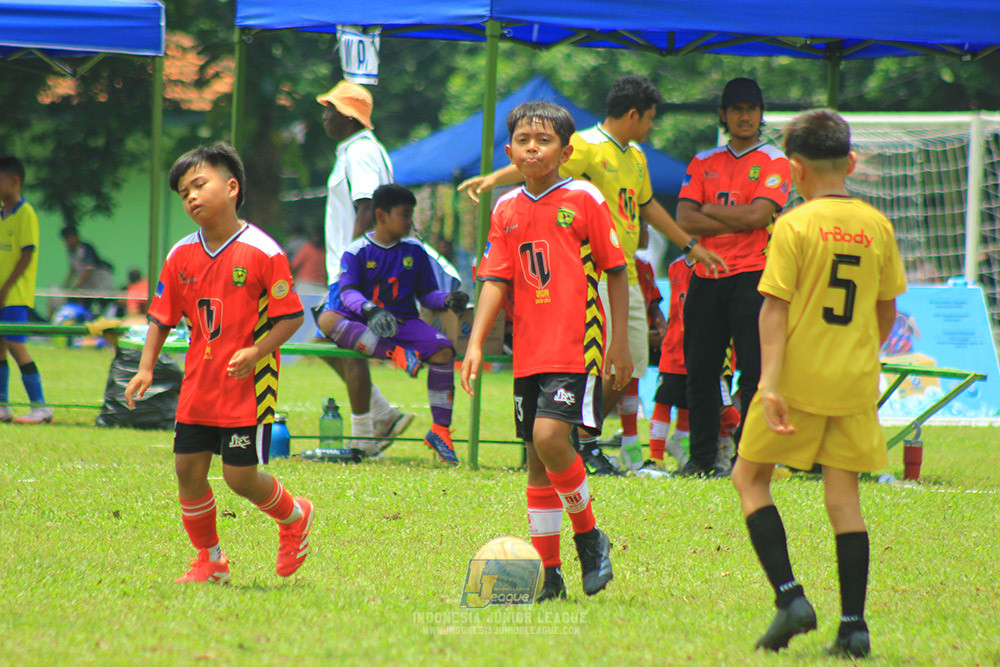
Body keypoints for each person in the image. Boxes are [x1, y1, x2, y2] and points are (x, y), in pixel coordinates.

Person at [459, 75, 726, 474]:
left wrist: (690, 246)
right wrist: (495, 179)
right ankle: (582, 440)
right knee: (584, 389)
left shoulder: (635, 157)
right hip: (587, 275)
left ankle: (580, 437)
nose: (651, 127)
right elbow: (533, 163)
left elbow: (648, 206)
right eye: (650, 118)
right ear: (634, 114)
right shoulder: (582, 145)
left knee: (628, 366)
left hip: (625, 271)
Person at [731, 110, 907, 657]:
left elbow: (774, 311)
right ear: (851, 163)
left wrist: (770, 385)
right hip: (855, 382)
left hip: (797, 382)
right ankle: (854, 627)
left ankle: (791, 598)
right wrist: (856, 357)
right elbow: (886, 313)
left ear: (794, 169)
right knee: (843, 499)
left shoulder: (794, 224)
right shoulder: (879, 225)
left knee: (750, 478)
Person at [461, 101, 632, 600]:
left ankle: (589, 538)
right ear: (509, 150)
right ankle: (549, 575)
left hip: (578, 342)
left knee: (552, 438)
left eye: (544, 140)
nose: (532, 147)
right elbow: (495, 279)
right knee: (537, 458)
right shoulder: (505, 207)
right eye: (522, 140)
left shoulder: (582, 198)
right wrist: (475, 343)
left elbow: (616, 269)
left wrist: (620, 341)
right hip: (528, 348)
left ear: (566, 150)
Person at [124, 142, 314, 584]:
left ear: (231, 187)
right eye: (183, 192)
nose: (190, 196)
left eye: (199, 184)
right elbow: (160, 316)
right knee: (187, 471)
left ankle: (295, 515)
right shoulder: (180, 255)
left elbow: (291, 317)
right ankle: (210, 560)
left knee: (240, 478)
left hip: (246, 384)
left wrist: (256, 351)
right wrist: (146, 368)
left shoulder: (263, 250)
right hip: (199, 383)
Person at [675, 77, 791, 477]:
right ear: (723, 115)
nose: (745, 116)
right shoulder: (704, 160)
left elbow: (759, 216)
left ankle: (749, 458)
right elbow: (684, 219)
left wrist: (708, 212)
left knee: (755, 372)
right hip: (706, 272)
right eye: (736, 108)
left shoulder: (776, 161)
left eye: (752, 109)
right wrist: (729, 218)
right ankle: (702, 458)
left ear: (761, 115)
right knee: (701, 370)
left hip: (755, 276)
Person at [317, 184, 469, 463]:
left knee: (444, 351)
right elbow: (348, 292)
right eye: (405, 214)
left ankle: (440, 431)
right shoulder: (356, 250)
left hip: (404, 322)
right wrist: (371, 310)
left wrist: (447, 300)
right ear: (382, 215)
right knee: (327, 319)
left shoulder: (416, 250)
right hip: (366, 323)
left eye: (411, 215)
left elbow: (427, 295)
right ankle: (396, 355)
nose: (411, 222)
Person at [316, 80, 415, 451]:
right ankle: (382, 414)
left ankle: (361, 439)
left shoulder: (360, 152)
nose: (324, 116)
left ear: (347, 117)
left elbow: (366, 207)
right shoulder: (358, 150)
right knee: (326, 337)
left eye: (330, 109)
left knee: (347, 344)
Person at [0, 156, 53, 425]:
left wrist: (5, 288)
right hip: (1, 296)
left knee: (16, 346)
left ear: (14, 181)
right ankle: (3, 406)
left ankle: (41, 407)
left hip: (14, 296)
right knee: (0, 347)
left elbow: (26, 254)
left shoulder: (25, 213)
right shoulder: (2, 215)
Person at [60, 225, 116, 317]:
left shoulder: (85, 248)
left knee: (105, 306)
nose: (67, 242)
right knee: (85, 307)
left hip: (101, 283)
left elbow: (88, 269)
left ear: (76, 237)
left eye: (69, 238)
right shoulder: (70, 251)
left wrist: (77, 286)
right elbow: (73, 268)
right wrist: (66, 285)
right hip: (87, 286)